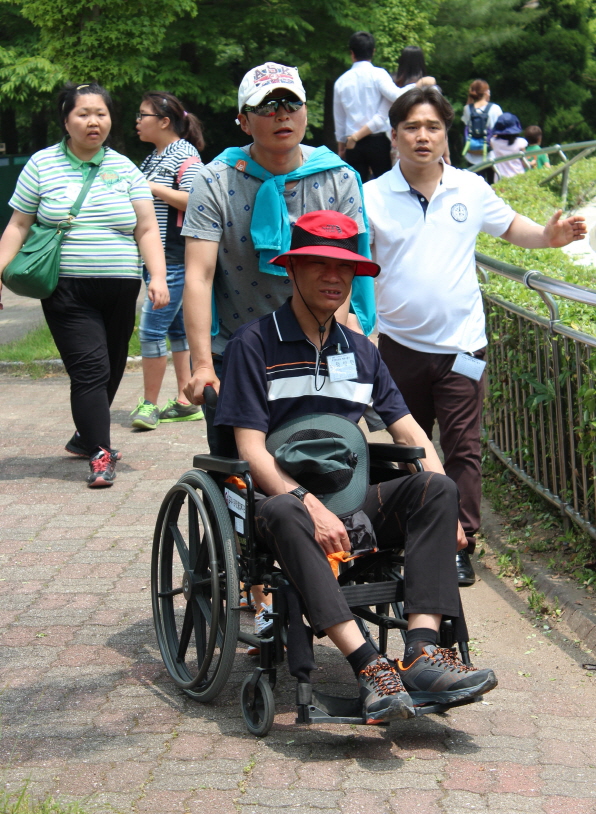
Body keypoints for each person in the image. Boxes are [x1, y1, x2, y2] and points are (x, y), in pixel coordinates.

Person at [213, 209, 498, 723]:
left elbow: (410, 433)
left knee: (436, 489)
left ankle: (421, 652)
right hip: (279, 503)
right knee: (286, 511)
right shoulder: (253, 345)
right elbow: (250, 449)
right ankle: (368, 665)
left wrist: (451, 511)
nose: (333, 277)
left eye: (344, 267)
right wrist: (309, 504)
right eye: (319, 264)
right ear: (291, 269)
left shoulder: (362, 352)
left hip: (350, 497)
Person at [363, 85, 586, 586]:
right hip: (397, 344)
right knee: (409, 447)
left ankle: (460, 542)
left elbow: (512, 228)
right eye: (412, 128)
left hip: (463, 345)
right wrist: (364, 334)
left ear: (448, 133)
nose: (423, 136)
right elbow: (360, 271)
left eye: (433, 127)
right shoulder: (371, 196)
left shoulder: (470, 188)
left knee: (463, 445)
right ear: (394, 136)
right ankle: (412, 533)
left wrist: (548, 237)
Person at [181, 60, 376, 452]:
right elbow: (198, 276)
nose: (282, 114)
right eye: (267, 106)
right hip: (235, 348)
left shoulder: (338, 178)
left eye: (291, 103)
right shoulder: (214, 180)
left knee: (324, 463)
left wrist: (324, 351)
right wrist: (201, 365)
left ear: (306, 112)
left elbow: (343, 274)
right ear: (244, 121)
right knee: (238, 471)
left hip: (314, 347)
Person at [0, 82, 169, 488]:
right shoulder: (42, 165)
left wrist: (158, 276)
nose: (94, 122)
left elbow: (147, 227)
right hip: (67, 288)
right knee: (90, 369)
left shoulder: (125, 167)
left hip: (121, 287)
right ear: (66, 120)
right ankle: (100, 452)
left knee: (112, 366)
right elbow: (18, 225)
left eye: (101, 114)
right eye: (83, 114)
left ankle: (85, 436)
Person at [130, 91, 205, 431]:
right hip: (157, 258)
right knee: (177, 331)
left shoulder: (184, 155)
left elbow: (195, 201)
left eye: (142, 115)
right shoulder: (153, 158)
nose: (137, 121)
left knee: (151, 330)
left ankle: (149, 405)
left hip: (173, 258)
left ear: (163, 121)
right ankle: (186, 402)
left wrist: (152, 188)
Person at [333, 32, 405, 180]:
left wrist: (341, 146)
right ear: (373, 51)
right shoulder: (379, 74)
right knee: (384, 184)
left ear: (352, 53)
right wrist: (418, 86)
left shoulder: (341, 81)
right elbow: (397, 96)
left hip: (352, 142)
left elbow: (339, 118)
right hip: (377, 141)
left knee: (356, 188)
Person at [461, 80, 502, 179]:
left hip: (471, 153)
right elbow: (501, 129)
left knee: (475, 183)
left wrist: (470, 98)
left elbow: (465, 123)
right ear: (487, 92)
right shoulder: (495, 108)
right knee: (492, 183)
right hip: (490, 153)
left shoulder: (467, 109)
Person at [490, 113, 528, 179]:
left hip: (500, 178)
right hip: (518, 177)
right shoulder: (521, 142)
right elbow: (524, 164)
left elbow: (494, 137)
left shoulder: (493, 142)